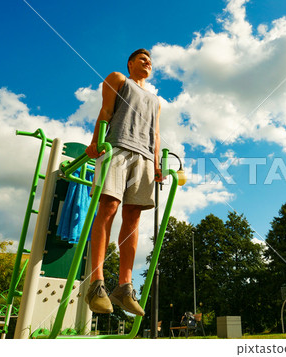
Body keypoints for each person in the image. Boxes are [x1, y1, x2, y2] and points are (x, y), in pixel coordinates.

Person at [84, 49, 162, 316]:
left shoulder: (155, 100)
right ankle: (96, 284)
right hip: (116, 148)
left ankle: (124, 287)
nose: (147, 62)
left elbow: (156, 134)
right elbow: (105, 111)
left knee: (133, 219)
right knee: (108, 207)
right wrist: (96, 141)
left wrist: (158, 163)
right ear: (130, 64)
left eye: (150, 60)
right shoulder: (119, 79)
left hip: (144, 158)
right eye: (142, 59)